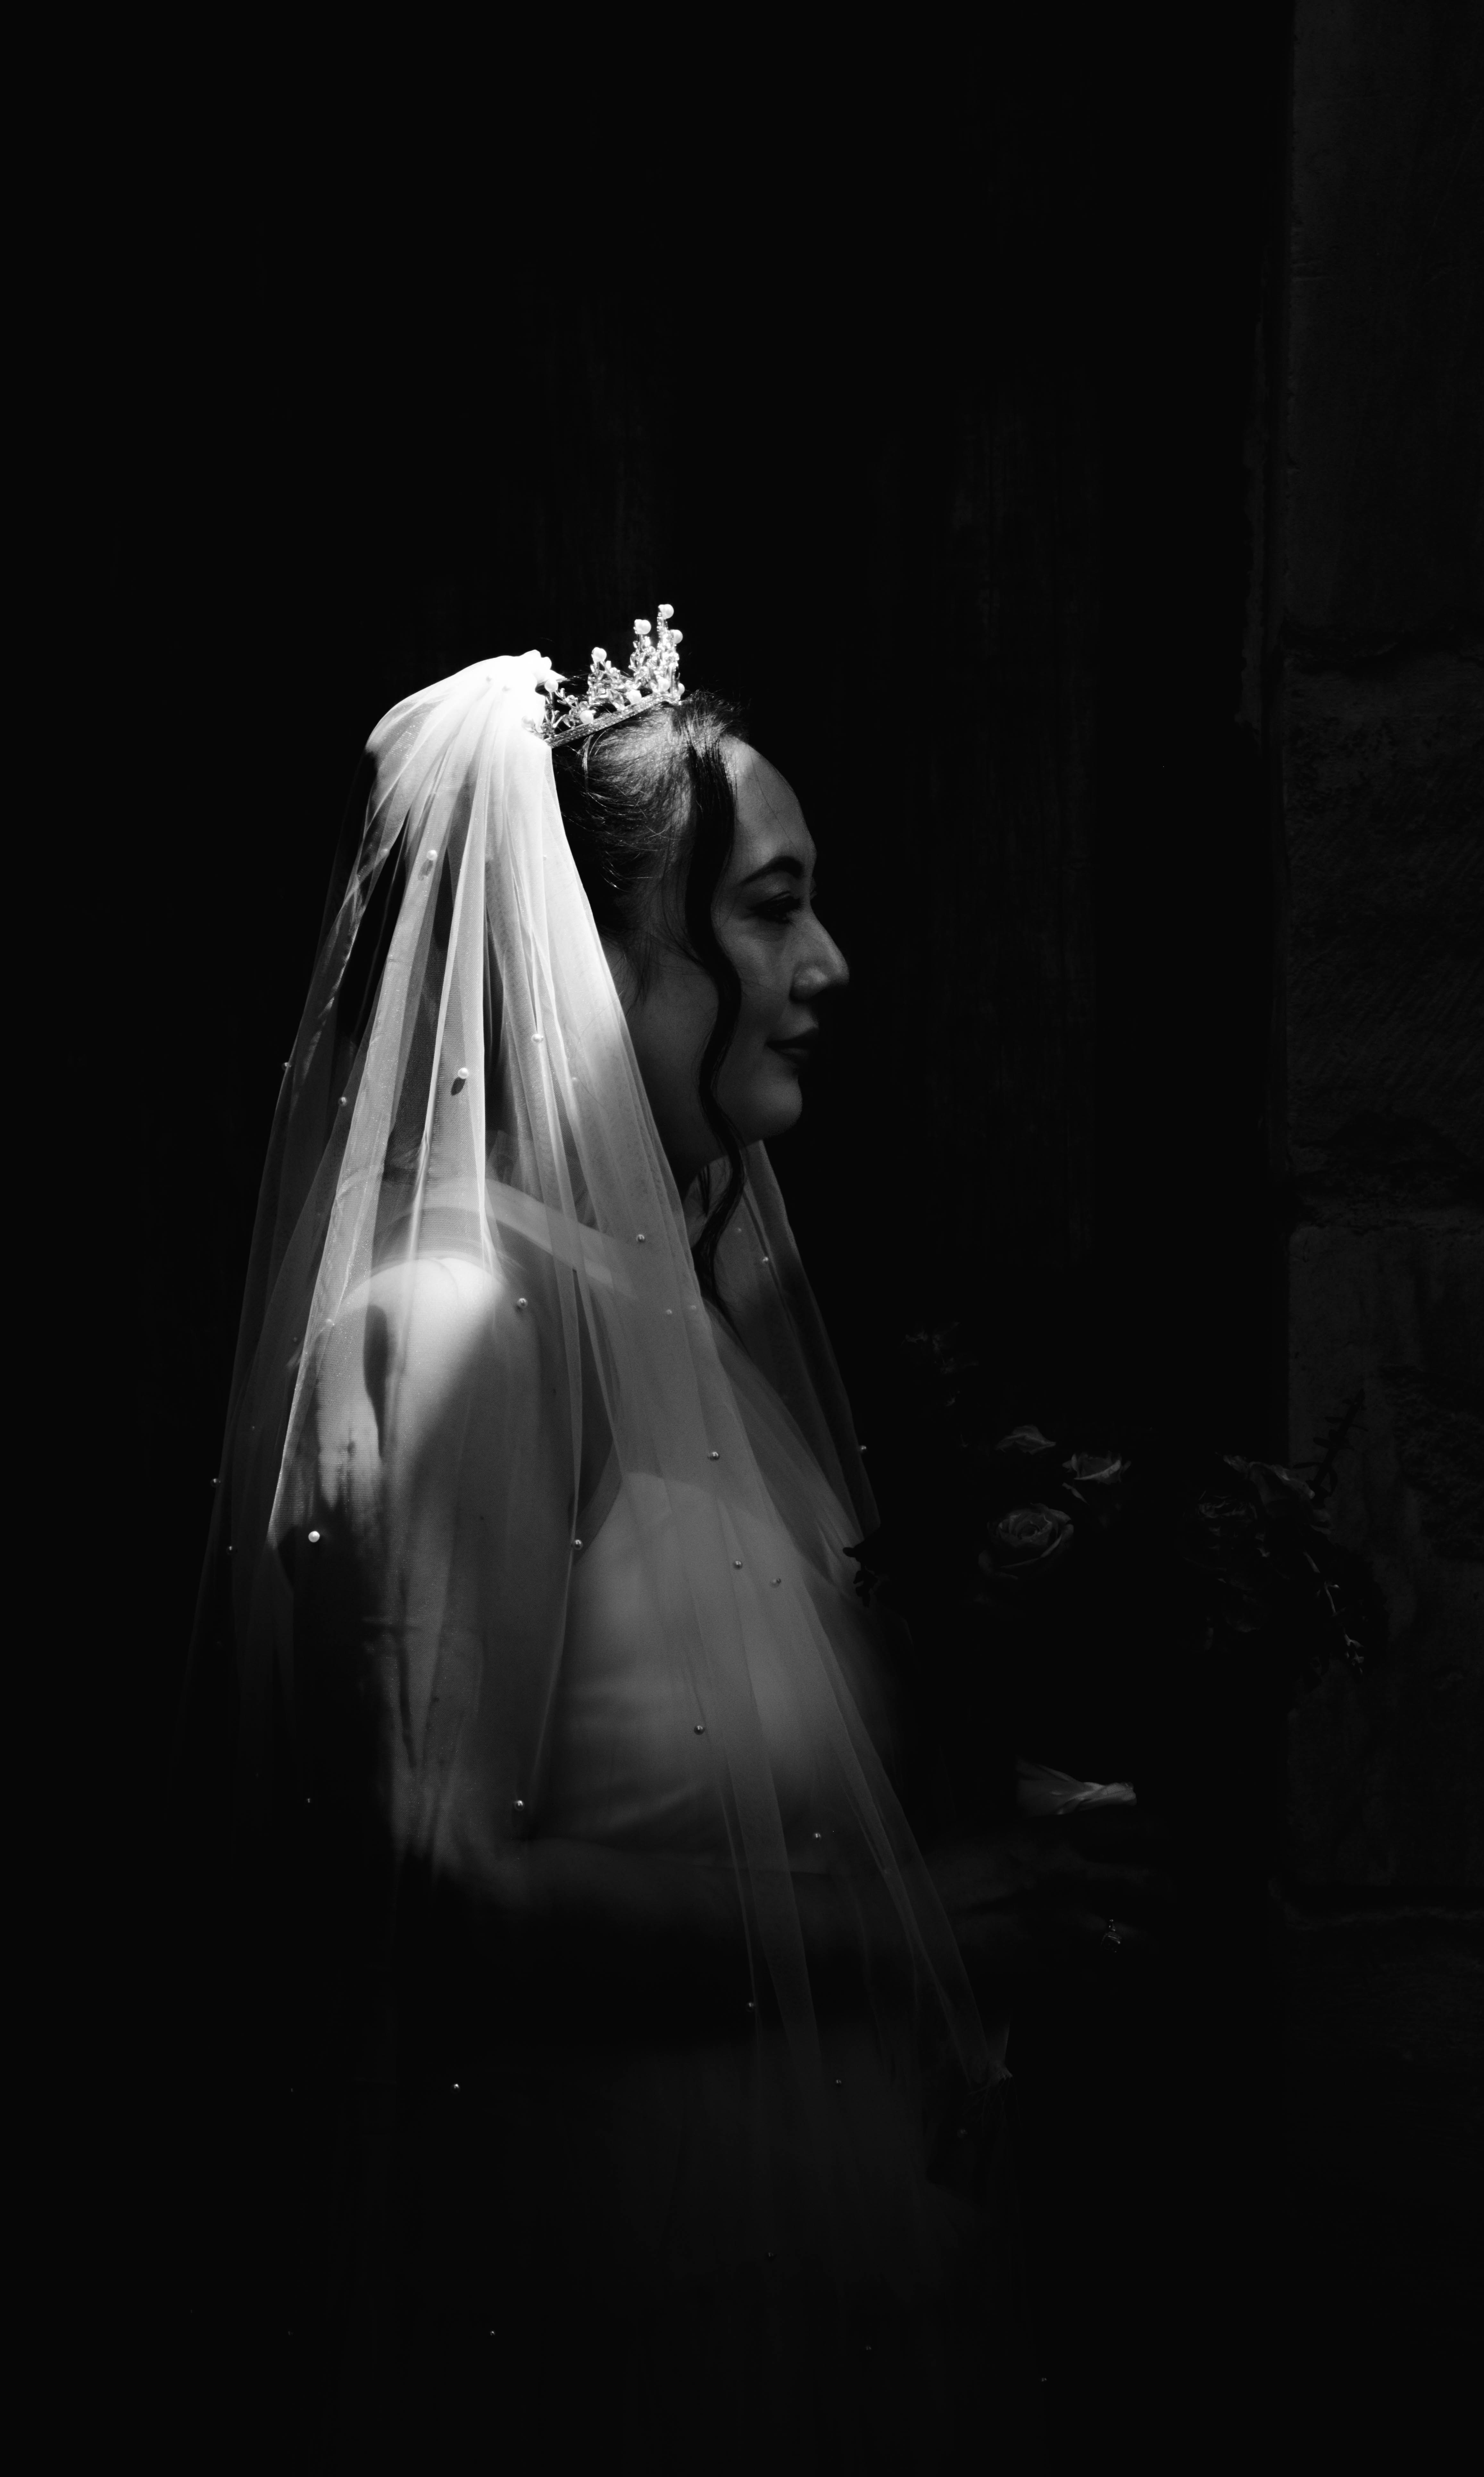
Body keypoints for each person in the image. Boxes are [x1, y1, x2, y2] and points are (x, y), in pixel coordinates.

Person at [177, 619, 1144, 2470]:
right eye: (769, 911)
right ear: (585, 949)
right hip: (618, 2301)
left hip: (821, 2264)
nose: (827, 967)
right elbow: (446, 1880)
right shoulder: (460, 1319)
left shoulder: (678, 1323)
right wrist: (916, 1924)